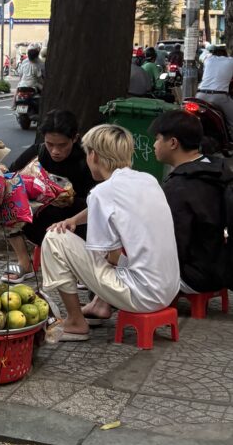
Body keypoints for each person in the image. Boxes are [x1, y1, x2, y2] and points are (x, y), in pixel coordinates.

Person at [41, 124, 180, 340]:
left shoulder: (102, 192)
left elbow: (110, 257)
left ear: (94, 155)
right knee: (123, 248)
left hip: (142, 295)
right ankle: (99, 305)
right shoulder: (147, 180)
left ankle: (76, 322)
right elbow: (110, 205)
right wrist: (74, 220)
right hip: (169, 289)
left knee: (54, 238)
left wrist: (75, 254)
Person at [2, 109, 94, 281]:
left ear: (75, 138)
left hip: (75, 223)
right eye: (50, 144)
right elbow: (9, 176)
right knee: (4, 199)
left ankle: (82, 267)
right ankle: (24, 262)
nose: (55, 151)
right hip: (40, 220)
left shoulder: (87, 159)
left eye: (62, 145)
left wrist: (68, 199)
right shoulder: (38, 153)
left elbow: (100, 200)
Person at [152, 110, 230, 295]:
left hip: (195, 275)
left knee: (119, 266)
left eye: (157, 139)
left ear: (173, 143)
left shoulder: (181, 186)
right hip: (220, 266)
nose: (154, 145)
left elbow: (174, 244)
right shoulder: (215, 169)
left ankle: (100, 305)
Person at [196, 44, 233, 137]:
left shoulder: (208, 59)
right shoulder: (230, 61)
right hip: (219, 97)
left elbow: (201, 55)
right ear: (226, 54)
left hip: (200, 96)